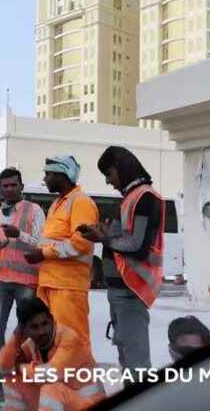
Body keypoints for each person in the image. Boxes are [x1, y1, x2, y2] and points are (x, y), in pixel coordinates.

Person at [78, 146, 165, 374]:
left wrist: (104, 239)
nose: (108, 181)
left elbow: (136, 246)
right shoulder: (131, 197)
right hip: (121, 289)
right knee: (127, 357)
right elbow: (125, 238)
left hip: (131, 290)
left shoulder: (144, 197)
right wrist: (104, 234)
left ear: (122, 168)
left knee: (136, 362)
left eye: (109, 174)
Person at [0, 167, 46, 403]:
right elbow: (3, 245)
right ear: (0, 189)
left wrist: (20, 234)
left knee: (26, 335)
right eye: (5, 186)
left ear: (21, 187)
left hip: (26, 281)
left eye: (13, 185)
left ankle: (25, 388)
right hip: (0, 279)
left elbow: (41, 243)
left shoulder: (34, 210)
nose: (9, 189)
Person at [23, 156, 99, 349]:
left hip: (68, 286)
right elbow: (50, 241)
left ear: (62, 175)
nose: (45, 179)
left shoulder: (81, 202)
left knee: (73, 340)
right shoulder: (58, 204)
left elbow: (80, 244)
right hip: (51, 283)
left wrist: (42, 254)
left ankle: (78, 379)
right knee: (55, 342)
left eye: (48, 174)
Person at [0, 298, 105, 411]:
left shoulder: (70, 338)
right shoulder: (31, 343)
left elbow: (50, 374)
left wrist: (20, 368)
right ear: (24, 330)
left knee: (52, 388)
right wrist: (16, 336)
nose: (42, 331)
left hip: (88, 402)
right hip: (64, 402)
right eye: (34, 327)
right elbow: (4, 367)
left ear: (51, 319)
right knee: (13, 380)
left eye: (44, 324)